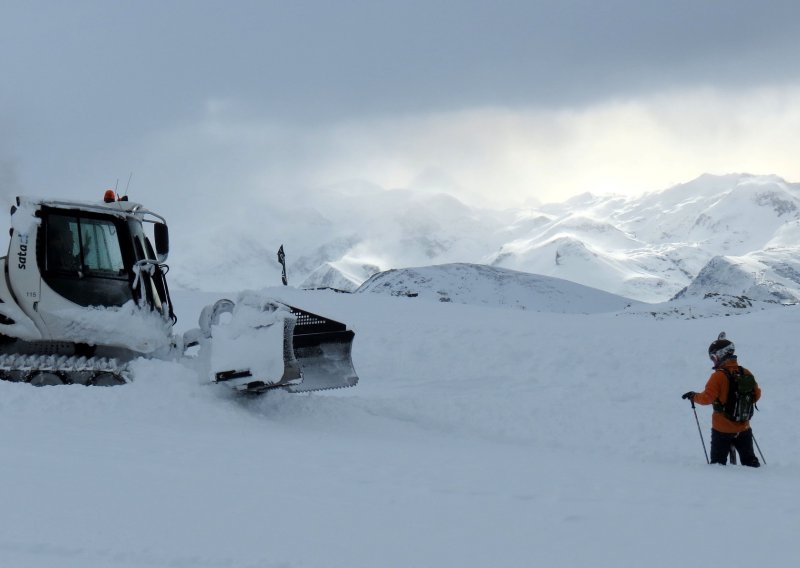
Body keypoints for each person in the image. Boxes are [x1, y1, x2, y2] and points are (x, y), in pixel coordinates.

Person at [682, 332, 762, 467]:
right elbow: (756, 395)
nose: (713, 361)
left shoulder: (718, 377)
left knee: (718, 466)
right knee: (750, 463)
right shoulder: (746, 372)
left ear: (720, 355)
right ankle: (758, 485)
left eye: (713, 357)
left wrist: (693, 396)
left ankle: (722, 486)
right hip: (744, 427)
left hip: (722, 429)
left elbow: (707, 398)